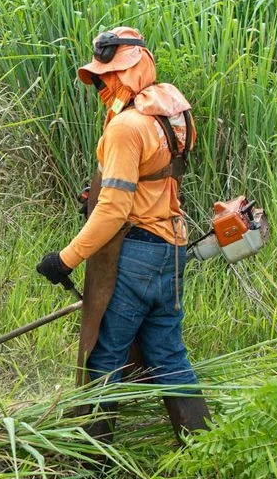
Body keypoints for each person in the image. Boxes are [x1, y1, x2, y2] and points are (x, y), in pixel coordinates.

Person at [34, 27, 210, 446]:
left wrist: (66, 258)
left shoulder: (126, 127)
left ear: (135, 70)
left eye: (111, 75)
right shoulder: (173, 113)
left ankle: (91, 458)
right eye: (100, 76)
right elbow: (152, 178)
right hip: (171, 249)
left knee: (104, 353)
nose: (102, 84)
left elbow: (114, 209)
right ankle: (206, 446)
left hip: (134, 253)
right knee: (167, 354)